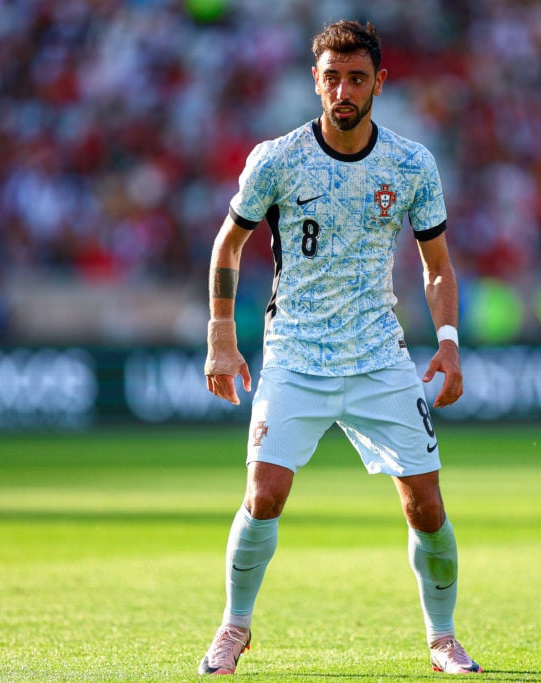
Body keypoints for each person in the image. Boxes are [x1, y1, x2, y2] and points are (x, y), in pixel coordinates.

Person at [198, 20, 481, 676]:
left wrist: (448, 342)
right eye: (332, 77)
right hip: (295, 353)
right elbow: (229, 244)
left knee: (427, 504)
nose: (344, 90)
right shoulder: (277, 159)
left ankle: (442, 636)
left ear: (380, 82)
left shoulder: (412, 163)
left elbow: (437, 265)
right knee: (263, 493)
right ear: (315, 81)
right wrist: (221, 337)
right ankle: (234, 626)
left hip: (380, 356)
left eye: (357, 77)